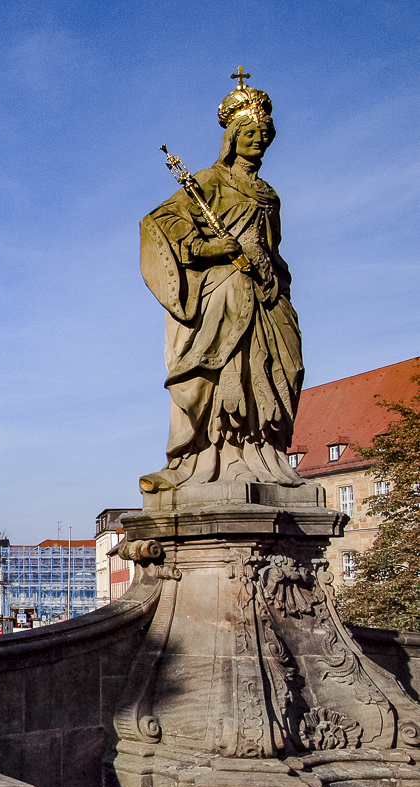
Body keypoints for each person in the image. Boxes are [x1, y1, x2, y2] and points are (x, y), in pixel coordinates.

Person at [140, 73, 304, 491]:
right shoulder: (209, 182)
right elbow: (161, 223)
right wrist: (210, 249)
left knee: (288, 366)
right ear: (232, 137)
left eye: (265, 134)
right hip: (225, 291)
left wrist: (273, 274)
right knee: (227, 374)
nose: (259, 140)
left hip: (266, 293)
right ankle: (217, 457)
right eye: (250, 133)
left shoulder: (269, 194)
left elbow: (273, 246)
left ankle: (266, 453)